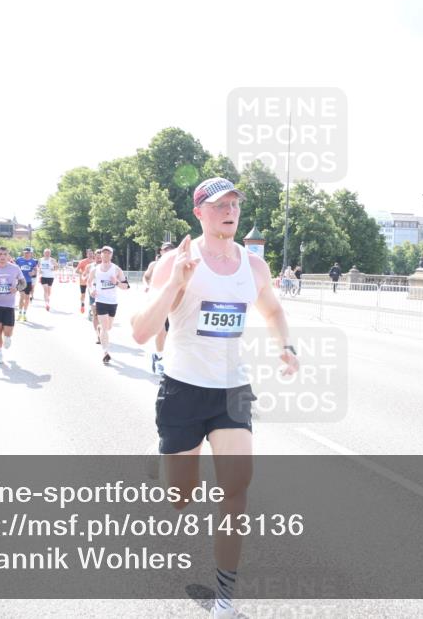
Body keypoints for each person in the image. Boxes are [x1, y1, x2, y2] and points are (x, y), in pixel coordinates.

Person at [131, 177, 299, 619]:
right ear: (199, 213)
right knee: (180, 497)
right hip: (183, 389)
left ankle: (225, 598)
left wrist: (287, 345)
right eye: (219, 204)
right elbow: (140, 331)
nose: (230, 211)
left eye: (235, 204)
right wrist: (173, 286)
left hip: (232, 390)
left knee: (236, 490)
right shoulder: (175, 262)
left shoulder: (254, 265)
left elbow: (274, 310)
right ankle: (166, 458)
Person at [91, 246, 129, 364]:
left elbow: (126, 286)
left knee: (108, 327)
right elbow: (89, 282)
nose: (106, 255)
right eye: (104, 253)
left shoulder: (116, 269)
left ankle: (100, 329)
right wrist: (91, 290)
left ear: (111, 255)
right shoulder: (95, 269)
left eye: (108, 253)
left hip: (112, 302)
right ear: (100, 255)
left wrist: (116, 282)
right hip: (100, 301)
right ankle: (105, 352)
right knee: (105, 328)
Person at [143, 242, 175, 375]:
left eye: (170, 249)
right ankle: (160, 358)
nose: (167, 251)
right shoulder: (154, 265)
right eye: (165, 249)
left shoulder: (178, 264)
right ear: (160, 252)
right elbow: (146, 276)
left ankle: (159, 354)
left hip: (173, 302)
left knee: (170, 332)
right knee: (161, 331)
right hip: (157, 300)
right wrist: (146, 285)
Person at [15, 247, 39, 322]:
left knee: (27, 298)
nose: (26, 254)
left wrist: (33, 273)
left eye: (28, 253)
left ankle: (24, 314)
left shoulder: (33, 261)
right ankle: (19, 313)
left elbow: (35, 270)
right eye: (25, 252)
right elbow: (14, 268)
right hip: (21, 281)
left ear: (30, 253)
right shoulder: (19, 260)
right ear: (23, 252)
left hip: (28, 281)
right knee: (21, 297)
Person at [75, 248, 95, 314]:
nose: (90, 255)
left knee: (91, 295)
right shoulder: (82, 262)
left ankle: (91, 309)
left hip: (92, 282)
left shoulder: (95, 262)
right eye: (89, 254)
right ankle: (82, 304)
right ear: (87, 255)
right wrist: (83, 273)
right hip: (83, 281)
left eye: (91, 254)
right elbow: (76, 270)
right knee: (83, 294)